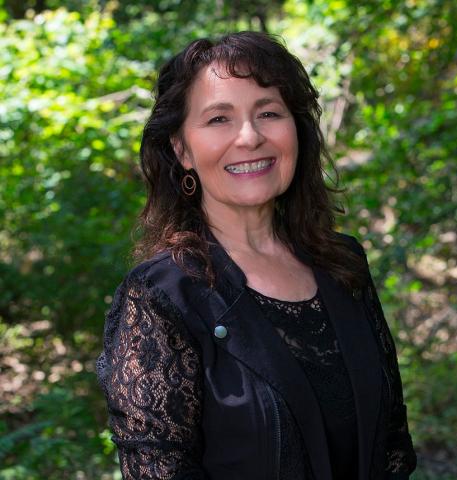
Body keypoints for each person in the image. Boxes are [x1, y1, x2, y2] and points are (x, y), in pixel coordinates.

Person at [97, 31, 417, 480]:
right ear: (181, 148)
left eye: (268, 113)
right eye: (218, 120)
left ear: (296, 130)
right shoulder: (161, 299)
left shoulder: (344, 265)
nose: (249, 137)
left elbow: (393, 445)